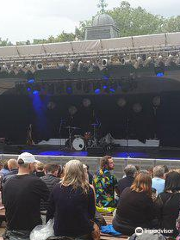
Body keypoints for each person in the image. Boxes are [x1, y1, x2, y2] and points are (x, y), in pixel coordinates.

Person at [3, 152, 49, 240]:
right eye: (34, 164)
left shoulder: (7, 182)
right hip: (30, 231)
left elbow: (6, 203)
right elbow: (50, 200)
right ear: (30, 165)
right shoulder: (36, 182)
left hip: (10, 230)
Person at [47, 160, 96, 239]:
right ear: (81, 172)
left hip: (60, 230)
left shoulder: (56, 187)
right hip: (82, 230)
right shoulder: (87, 189)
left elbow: (50, 211)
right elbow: (91, 213)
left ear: (66, 171)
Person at [154, 171, 180, 238]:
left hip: (163, 230)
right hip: (177, 231)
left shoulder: (160, 196)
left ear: (166, 181)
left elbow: (156, 214)